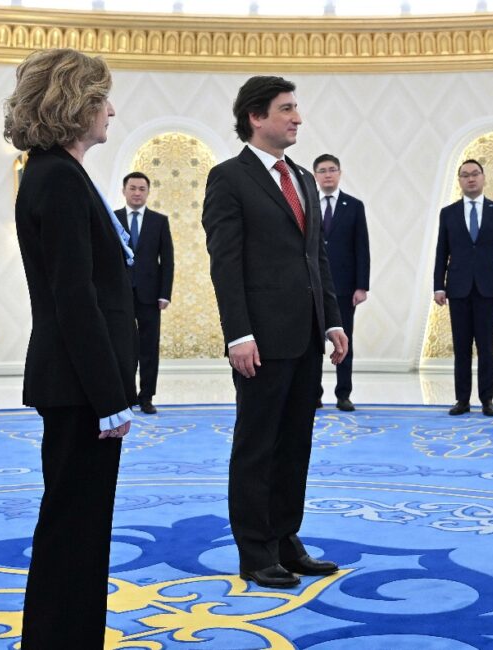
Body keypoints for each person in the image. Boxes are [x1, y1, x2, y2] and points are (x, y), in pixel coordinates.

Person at [4, 48, 137, 646]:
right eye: (102, 98)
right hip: (80, 386)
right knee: (73, 529)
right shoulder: (56, 176)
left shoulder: (57, 171)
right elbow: (74, 297)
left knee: (78, 528)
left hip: (77, 381)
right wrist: (111, 398)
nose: (112, 110)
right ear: (75, 103)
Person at [201, 75, 348, 589]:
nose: (297, 118)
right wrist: (238, 334)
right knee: (258, 445)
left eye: (296, 108)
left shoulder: (303, 178)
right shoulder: (228, 178)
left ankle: (286, 539)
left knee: (294, 444)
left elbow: (316, 258)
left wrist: (332, 320)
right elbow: (225, 264)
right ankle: (255, 549)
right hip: (260, 341)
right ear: (255, 116)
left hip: (306, 336)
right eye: (286, 109)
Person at [432, 159, 493, 417]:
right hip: (457, 289)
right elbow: (441, 252)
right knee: (461, 348)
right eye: (465, 175)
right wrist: (438, 286)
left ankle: (487, 400)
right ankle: (462, 400)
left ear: (483, 177)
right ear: (459, 180)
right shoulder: (448, 213)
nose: (470, 178)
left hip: (488, 288)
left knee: (486, 347)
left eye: (475, 174)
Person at [313, 153, 370, 412]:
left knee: (344, 341)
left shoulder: (354, 206)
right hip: (313, 286)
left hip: (345, 287)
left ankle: (343, 394)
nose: (327, 174)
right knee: (313, 344)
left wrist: (361, 285)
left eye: (332, 169)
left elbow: (362, 247)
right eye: (322, 170)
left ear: (339, 173)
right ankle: (313, 393)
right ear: (315, 175)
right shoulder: (307, 204)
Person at [115, 171, 174, 414]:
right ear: (124, 191)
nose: (137, 193)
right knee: (123, 346)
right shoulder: (113, 219)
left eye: (142, 189)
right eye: (133, 188)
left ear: (148, 192)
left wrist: (165, 294)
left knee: (149, 347)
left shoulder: (159, 221)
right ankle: (125, 395)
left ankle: (146, 396)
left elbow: (167, 260)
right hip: (120, 294)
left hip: (150, 296)